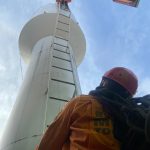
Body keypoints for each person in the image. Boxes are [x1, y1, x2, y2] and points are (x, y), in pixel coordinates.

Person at [36, 67, 150, 150]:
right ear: (128, 95)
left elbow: (49, 143)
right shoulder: (132, 119)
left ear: (104, 82)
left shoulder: (82, 102)